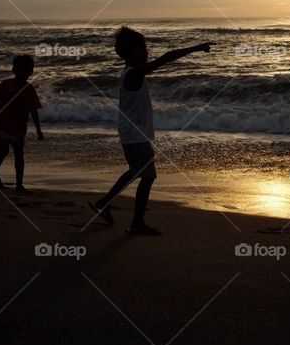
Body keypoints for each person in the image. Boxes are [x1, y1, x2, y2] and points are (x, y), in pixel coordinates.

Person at [88, 27, 212, 235]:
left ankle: (105, 202)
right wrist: (196, 48)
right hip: (135, 135)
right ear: (131, 52)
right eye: (143, 48)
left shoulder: (129, 73)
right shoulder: (134, 74)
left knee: (136, 171)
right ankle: (136, 222)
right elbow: (165, 59)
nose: (147, 52)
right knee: (147, 176)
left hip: (131, 134)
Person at [0, 55, 43, 194]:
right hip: (2, 124)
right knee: (3, 151)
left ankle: (19, 185)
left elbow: (34, 110)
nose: (25, 73)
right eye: (22, 70)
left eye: (28, 70)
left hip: (19, 127)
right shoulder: (5, 85)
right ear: (14, 70)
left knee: (19, 154)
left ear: (31, 72)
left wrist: (39, 130)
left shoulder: (29, 89)